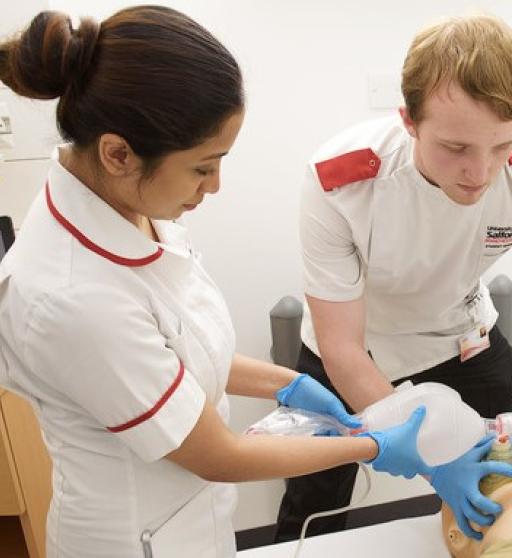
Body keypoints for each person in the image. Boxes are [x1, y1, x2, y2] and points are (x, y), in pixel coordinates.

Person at [0, 8, 429, 557]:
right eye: (203, 167)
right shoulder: (70, 296)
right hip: (134, 541)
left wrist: (287, 383)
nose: (216, 185)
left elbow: (179, 349)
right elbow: (216, 454)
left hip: (193, 522)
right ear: (117, 153)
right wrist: (369, 447)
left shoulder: (126, 205)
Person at [278, 14, 512, 543]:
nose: (481, 173)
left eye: (502, 146)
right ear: (409, 120)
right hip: (354, 350)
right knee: (314, 504)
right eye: (456, 148)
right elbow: (342, 347)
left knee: (500, 492)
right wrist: (437, 464)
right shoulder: (341, 181)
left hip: (460, 339)